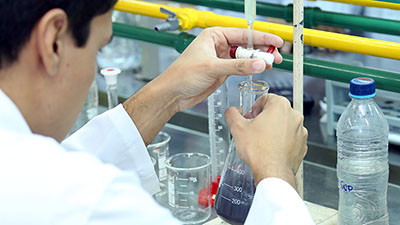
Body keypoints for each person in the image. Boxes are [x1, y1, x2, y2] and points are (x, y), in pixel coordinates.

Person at [0, 0, 313, 224]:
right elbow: (71, 188)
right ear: (54, 41)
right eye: (97, 49)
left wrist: (168, 94)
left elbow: (55, 165)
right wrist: (277, 172)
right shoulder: (88, 202)